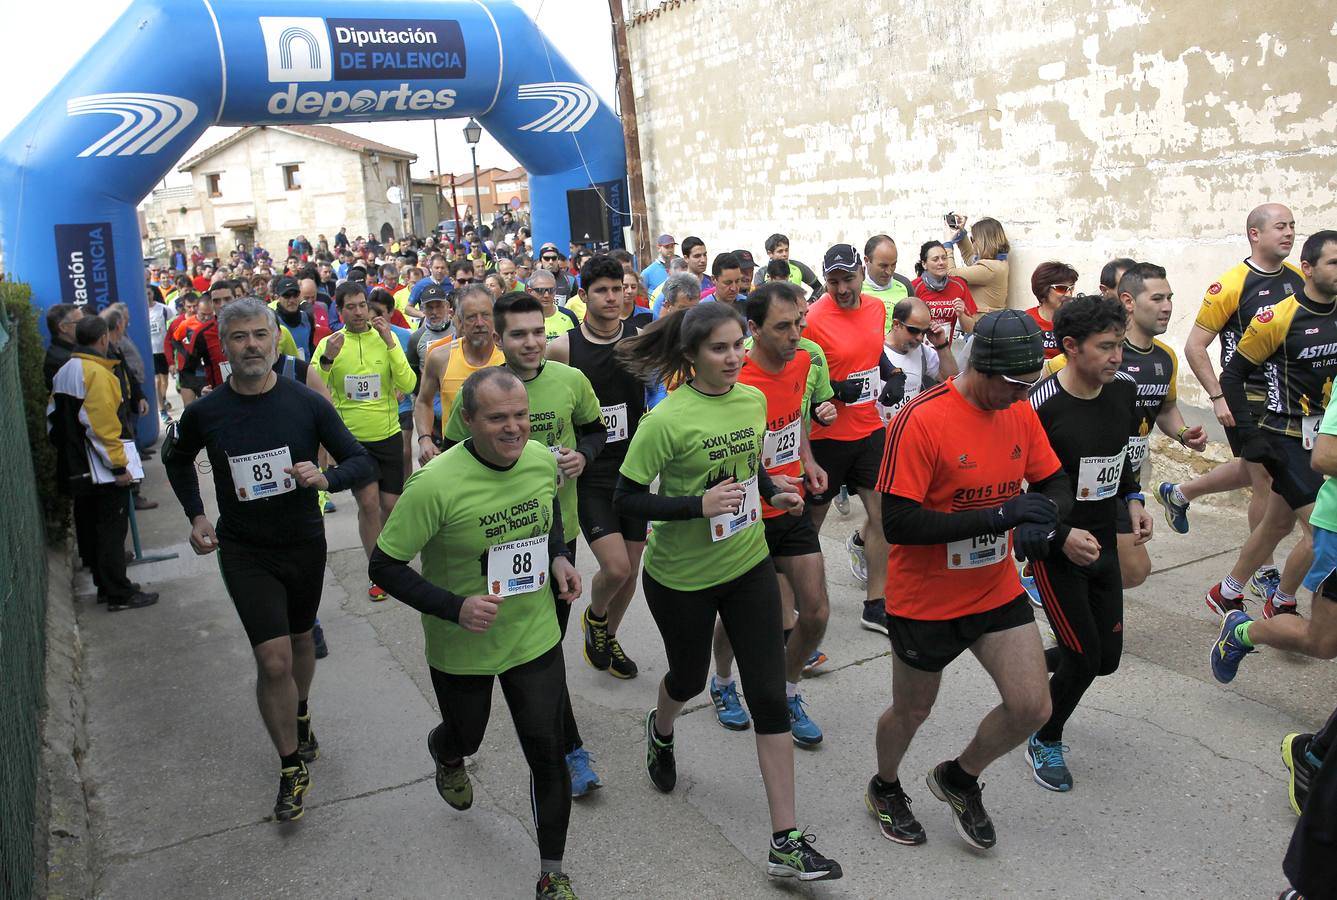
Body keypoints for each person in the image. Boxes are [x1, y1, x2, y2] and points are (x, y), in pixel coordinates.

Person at [614, 302, 843, 882]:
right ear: (690, 357)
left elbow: (750, 464)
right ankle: (660, 729)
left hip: (746, 563)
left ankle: (785, 841)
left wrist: (776, 489)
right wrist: (696, 506)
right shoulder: (666, 420)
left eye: (738, 345)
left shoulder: (752, 400)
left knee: (768, 696)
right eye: (719, 348)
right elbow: (627, 500)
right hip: (681, 578)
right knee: (687, 679)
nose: (734, 356)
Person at [369, 367, 584, 900]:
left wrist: (557, 556)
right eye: (497, 418)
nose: (514, 429)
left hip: (532, 633)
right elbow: (384, 566)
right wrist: (454, 607)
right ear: (466, 420)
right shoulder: (435, 484)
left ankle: (552, 873)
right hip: (461, 644)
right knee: (467, 734)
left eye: (521, 416)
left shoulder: (539, 459)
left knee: (547, 752)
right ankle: (446, 754)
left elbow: (549, 513)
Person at [163, 297, 374, 822]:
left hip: (302, 541)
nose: (251, 345)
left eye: (260, 335)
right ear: (224, 346)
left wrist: (327, 478)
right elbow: (175, 459)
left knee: (301, 640)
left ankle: (299, 712)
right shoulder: (205, 412)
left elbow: (359, 459)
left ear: (277, 339)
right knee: (272, 658)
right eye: (239, 337)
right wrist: (195, 515)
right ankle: (289, 767)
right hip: (244, 549)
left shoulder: (305, 403)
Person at [867, 309, 1067, 849]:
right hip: (924, 599)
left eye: (1033, 384)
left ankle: (959, 777)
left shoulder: (1020, 411)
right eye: (1016, 384)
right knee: (912, 710)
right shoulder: (923, 418)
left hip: (993, 589)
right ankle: (885, 786)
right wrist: (1001, 518)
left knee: (1033, 706)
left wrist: (1044, 521)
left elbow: (1053, 482)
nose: (1025, 395)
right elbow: (899, 524)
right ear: (984, 366)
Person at [441, 292, 607, 796]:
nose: (532, 342)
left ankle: (566, 748)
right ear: (498, 338)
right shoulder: (480, 391)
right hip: (494, 542)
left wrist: (583, 455)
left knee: (546, 648)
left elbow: (597, 431)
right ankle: (484, 739)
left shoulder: (570, 380)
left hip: (557, 537)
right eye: (518, 334)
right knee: (511, 652)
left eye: (539, 331)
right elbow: (453, 456)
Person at [1025, 295, 1152, 791]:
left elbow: (1124, 459)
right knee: (1082, 657)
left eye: (1119, 345)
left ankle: (1029, 668)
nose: (1117, 357)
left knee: (1106, 659)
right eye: (1105, 347)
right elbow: (1015, 490)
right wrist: (1058, 535)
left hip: (1103, 541)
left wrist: (1135, 502)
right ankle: (1045, 735)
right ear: (1071, 347)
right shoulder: (1039, 405)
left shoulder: (1123, 390)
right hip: (1056, 550)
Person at [1157, 205, 1305, 603]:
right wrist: (1219, 397)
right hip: (1248, 401)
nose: (1289, 233)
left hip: (1290, 402)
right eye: (1280, 227)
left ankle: (1180, 492)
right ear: (1254, 234)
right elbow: (1195, 346)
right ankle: (1265, 571)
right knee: (1266, 482)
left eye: (1292, 225)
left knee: (1253, 471)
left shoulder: (1299, 280)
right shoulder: (1231, 285)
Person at [710, 283, 833, 745]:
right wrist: (761, 479)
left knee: (817, 612)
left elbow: (795, 417)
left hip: (791, 503)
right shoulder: (732, 376)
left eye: (799, 323)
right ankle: (723, 683)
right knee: (745, 615)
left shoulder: (802, 361)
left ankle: (786, 690)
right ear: (753, 330)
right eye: (783, 327)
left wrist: (809, 459)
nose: (795, 335)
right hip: (745, 510)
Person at [1041, 264, 1207, 591]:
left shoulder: (1166, 358)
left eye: (1170, 298)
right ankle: (1052, 580)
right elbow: (1046, 409)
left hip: (1122, 476)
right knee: (1125, 568)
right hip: (1072, 484)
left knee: (1128, 570)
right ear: (1129, 301)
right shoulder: (1076, 359)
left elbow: (1166, 408)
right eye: (1157, 298)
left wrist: (1183, 434)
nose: (1167, 306)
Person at [1203, 230, 1337, 627]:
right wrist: (1250, 435)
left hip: (1324, 434)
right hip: (1285, 436)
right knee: (1320, 529)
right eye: (1334, 262)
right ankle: (1281, 602)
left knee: (1277, 523)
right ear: (1309, 269)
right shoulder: (1277, 317)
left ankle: (1226, 592)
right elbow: (1233, 376)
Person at [547, 256, 647, 683]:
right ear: (584, 296)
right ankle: (596, 617)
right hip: (589, 472)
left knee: (632, 571)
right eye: (603, 290)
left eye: (620, 288)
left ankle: (606, 633)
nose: (613, 297)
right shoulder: (563, 347)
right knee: (617, 568)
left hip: (635, 469)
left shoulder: (639, 338)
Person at [802, 244, 895, 633]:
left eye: (848, 278)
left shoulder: (875, 308)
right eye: (833, 281)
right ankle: (806, 605)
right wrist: (832, 391)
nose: (841, 288)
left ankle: (876, 604)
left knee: (883, 519)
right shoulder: (813, 317)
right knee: (809, 528)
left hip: (870, 429)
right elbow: (799, 368)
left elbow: (871, 352)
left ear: (861, 273)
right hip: (826, 438)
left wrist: (892, 374)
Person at [313, 281, 417, 602]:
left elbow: (408, 382)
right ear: (340, 310)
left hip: (387, 435)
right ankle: (379, 572)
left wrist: (390, 344)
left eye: (362, 305)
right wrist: (328, 360)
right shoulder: (330, 344)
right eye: (351, 307)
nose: (358, 312)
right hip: (352, 442)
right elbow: (314, 386)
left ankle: (388, 556)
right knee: (369, 504)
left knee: (390, 506)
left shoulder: (384, 340)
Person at [47, 315, 158, 612]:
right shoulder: (95, 373)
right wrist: (120, 467)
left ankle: (106, 586)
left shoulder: (65, 371)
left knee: (93, 530)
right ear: (103, 339)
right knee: (111, 532)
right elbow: (102, 426)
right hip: (101, 470)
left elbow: (53, 422)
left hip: (77, 466)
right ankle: (119, 593)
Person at [415, 285, 504, 463]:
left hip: (503, 456)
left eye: (486, 315)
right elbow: (423, 402)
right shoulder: (440, 357)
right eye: (471, 317)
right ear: (460, 321)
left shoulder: (510, 354)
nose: (480, 323)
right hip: (455, 457)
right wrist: (424, 439)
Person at [367, 288, 417, 486]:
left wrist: (402, 389)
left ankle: (409, 488)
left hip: (403, 405)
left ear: (390, 312)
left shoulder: (406, 336)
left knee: (405, 451)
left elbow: (412, 370)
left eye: (379, 312)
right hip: (377, 408)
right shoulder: (365, 338)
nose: (374, 318)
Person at [912, 241, 977, 342]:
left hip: (945, 350)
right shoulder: (915, 286)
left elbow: (970, 328)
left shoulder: (959, 285)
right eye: (935, 259)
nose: (941, 262)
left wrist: (961, 314)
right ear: (924, 264)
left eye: (944, 258)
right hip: (918, 350)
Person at [943, 216, 1011, 313]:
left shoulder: (989, 269)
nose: (972, 242)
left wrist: (947, 244)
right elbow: (970, 257)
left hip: (981, 322)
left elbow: (950, 274)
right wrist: (961, 234)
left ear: (983, 242)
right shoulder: (998, 262)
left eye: (973, 239)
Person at [1023, 262, 1079, 359]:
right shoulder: (1026, 320)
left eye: (1071, 288)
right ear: (1043, 288)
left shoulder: (1076, 319)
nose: (1069, 294)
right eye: (1061, 288)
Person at [863, 235, 915, 328]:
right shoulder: (854, 287)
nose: (889, 271)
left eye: (893, 265)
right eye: (883, 266)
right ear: (867, 261)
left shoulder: (905, 285)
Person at [754, 233, 822, 297]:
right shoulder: (761, 273)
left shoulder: (798, 267)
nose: (785, 254)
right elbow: (758, 298)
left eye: (786, 250)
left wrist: (810, 302)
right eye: (780, 251)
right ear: (770, 253)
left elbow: (819, 288)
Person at [528, 269, 579, 341]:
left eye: (551, 290)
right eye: (540, 290)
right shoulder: (521, 318)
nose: (546, 295)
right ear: (530, 291)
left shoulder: (569, 316)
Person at [44, 303, 84, 391]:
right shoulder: (64, 361)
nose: (85, 326)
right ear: (63, 327)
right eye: (80, 322)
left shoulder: (70, 351)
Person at [146, 286, 172, 408]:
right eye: (145, 294)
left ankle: (163, 397)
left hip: (162, 348)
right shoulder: (141, 310)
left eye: (149, 293)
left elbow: (170, 323)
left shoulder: (163, 308)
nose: (147, 296)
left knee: (164, 380)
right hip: (150, 351)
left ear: (153, 294)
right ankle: (161, 406)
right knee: (156, 380)